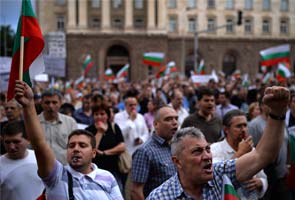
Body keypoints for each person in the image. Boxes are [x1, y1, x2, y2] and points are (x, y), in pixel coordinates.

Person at [147, 86, 289, 199]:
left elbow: (262, 155)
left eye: (207, 149)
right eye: (197, 151)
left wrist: (277, 113)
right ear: (177, 162)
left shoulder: (218, 174)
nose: (207, 157)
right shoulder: (160, 196)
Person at [14, 80, 123, 200]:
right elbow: (39, 145)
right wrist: (29, 105)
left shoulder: (107, 177)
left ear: (93, 152)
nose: (76, 149)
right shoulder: (57, 177)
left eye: (82, 145)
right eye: (71, 145)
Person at [211, 109, 268, 199]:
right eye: (238, 126)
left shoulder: (252, 150)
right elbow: (215, 176)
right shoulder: (216, 149)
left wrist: (260, 183)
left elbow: (263, 177)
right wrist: (240, 153)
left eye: (245, 125)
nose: (243, 130)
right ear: (226, 129)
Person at [131, 106, 178, 199]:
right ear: (156, 124)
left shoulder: (176, 146)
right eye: (168, 119)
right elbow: (135, 191)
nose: (175, 122)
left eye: (176, 118)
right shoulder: (145, 151)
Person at [85, 103, 126, 194]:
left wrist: (104, 152)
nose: (99, 117)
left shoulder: (114, 127)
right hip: (95, 171)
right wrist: (100, 132)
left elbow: (122, 147)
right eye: (96, 114)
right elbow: (90, 150)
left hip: (114, 170)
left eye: (102, 114)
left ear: (107, 116)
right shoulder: (89, 130)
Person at [0, 121, 44, 200]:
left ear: (28, 140)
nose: (12, 147)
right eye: (7, 142)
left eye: (16, 142)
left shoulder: (40, 158)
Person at [38, 88, 78, 164]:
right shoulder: (34, 123)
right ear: (41, 103)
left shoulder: (70, 122)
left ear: (60, 103)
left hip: (64, 167)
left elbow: (76, 147)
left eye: (54, 102)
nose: (51, 106)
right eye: (47, 102)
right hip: (39, 167)